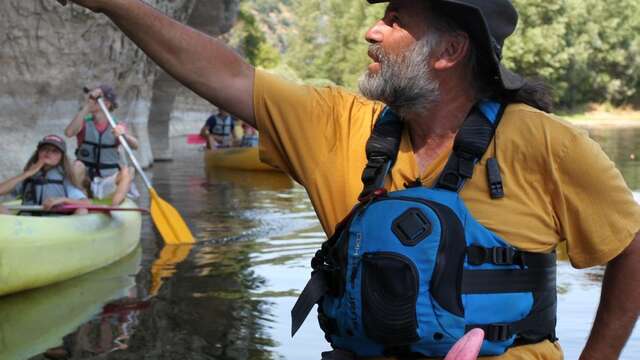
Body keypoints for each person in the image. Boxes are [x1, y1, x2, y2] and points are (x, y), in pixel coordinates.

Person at [61, 1, 640, 359]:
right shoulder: (338, 124)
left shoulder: (546, 142)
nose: (370, 30)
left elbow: (630, 245)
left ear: (450, 51)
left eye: (394, 19)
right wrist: (115, 3)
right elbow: (225, 72)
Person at [64, 85, 138, 206]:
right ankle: (78, 200)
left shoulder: (117, 125)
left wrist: (124, 135)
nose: (90, 100)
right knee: (76, 166)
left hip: (106, 178)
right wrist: (87, 107)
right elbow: (69, 132)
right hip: (85, 179)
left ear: (107, 103)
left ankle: (114, 208)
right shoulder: (83, 122)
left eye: (94, 99)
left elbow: (135, 145)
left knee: (128, 171)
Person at [0, 135, 90, 215]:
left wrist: (62, 200)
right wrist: (27, 174)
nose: (48, 152)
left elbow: (86, 203)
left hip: (53, 224)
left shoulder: (65, 177)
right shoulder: (29, 176)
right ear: (38, 153)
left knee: (82, 210)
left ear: (61, 158)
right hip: (26, 224)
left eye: (55, 151)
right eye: (44, 149)